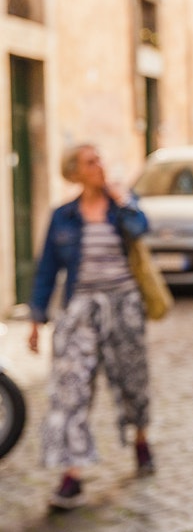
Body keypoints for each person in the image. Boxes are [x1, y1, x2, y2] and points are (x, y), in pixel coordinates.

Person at [27, 143, 155, 510]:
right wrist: (37, 319)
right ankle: (72, 475)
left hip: (124, 306)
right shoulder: (63, 216)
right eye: (90, 162)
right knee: (70, 390)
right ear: (75, 172)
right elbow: (47, 270)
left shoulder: (122, 205)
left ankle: (141, 440)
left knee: (133, 382)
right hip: (80, 309)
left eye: (100, 158)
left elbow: (141, 229)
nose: (99, 166)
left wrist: (123, 200)